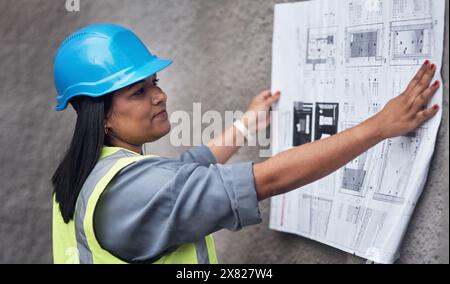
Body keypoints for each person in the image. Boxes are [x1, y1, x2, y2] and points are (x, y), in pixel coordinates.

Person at [52, 24, 441, 264]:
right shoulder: (132, 191)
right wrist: (377, 126)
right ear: (99, 114)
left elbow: (187, 170)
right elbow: (264, 180)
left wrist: (244, 125)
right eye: (139, 91)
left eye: (155, 83)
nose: (160, 96)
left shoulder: (87, 175)